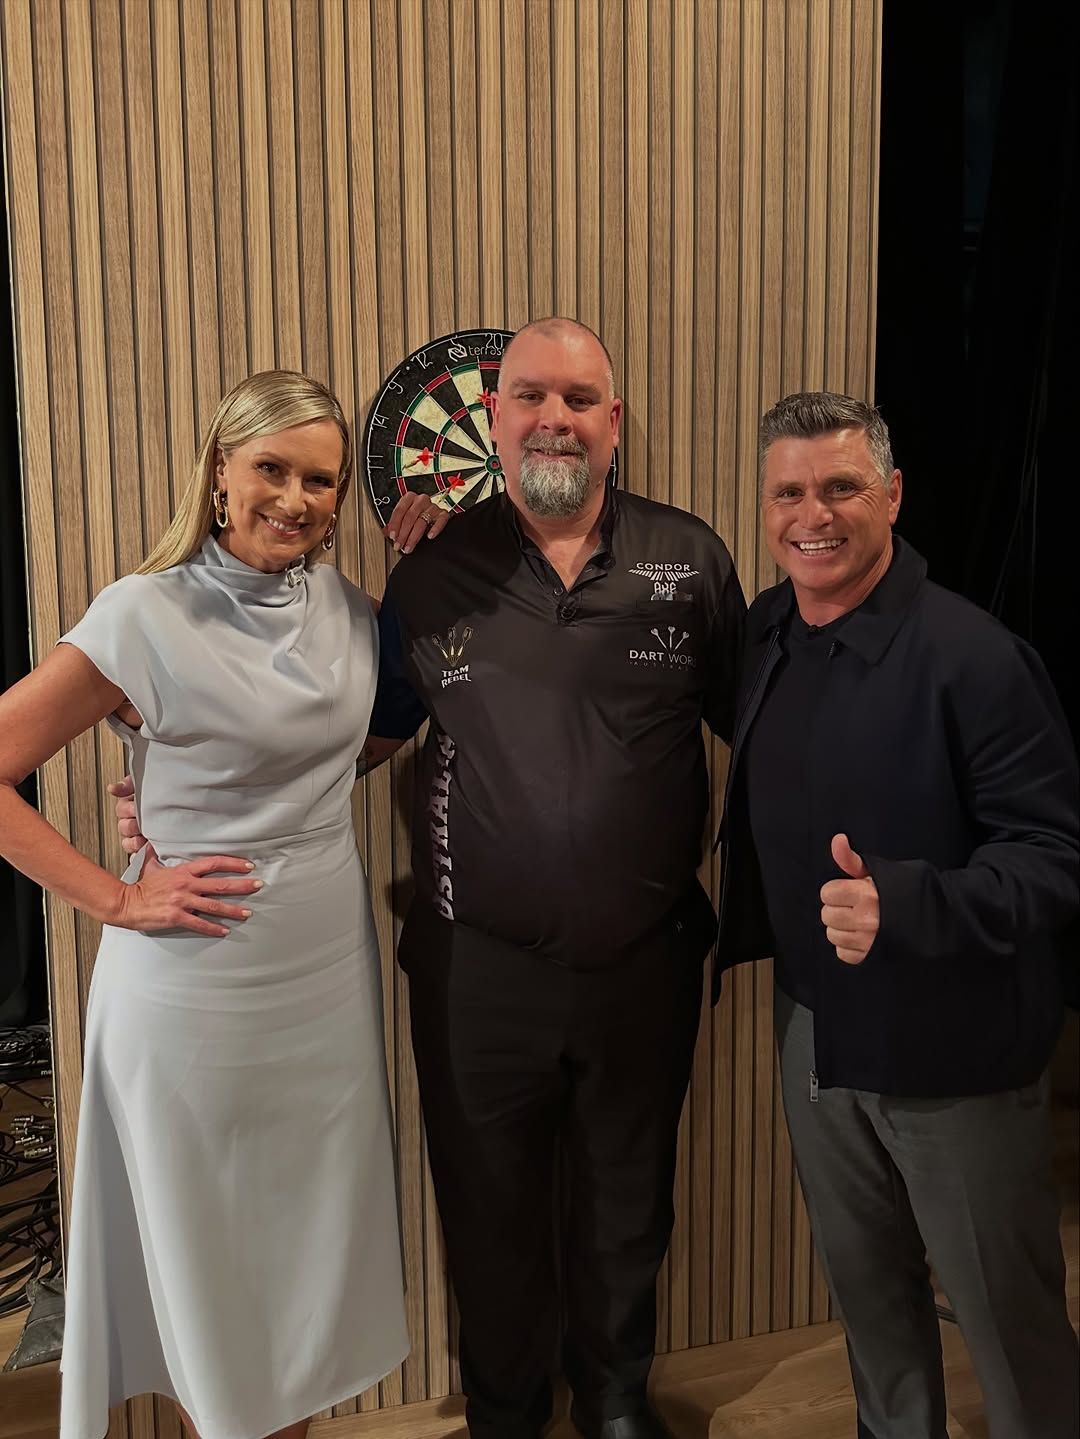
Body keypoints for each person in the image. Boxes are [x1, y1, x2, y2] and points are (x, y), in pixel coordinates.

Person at [0, 372, 409, 1439]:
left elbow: (347, 747)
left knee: (300, 1265)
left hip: (324, 974)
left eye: (320, 479)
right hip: (196, 989)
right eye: (271, 468)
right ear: (221, 472)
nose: (296, 498)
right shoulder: (143, 613)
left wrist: (190, 791)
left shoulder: (347, 606)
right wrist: (116, 898)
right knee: (216, 1265)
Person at [365, 317, 746, 1439]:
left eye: (580, 400)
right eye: (531, 396)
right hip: (477, 971)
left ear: (613, 422)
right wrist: (183, 788)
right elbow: (355, 738)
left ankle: (616, 1403)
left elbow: (774, 725)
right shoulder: (435, 571)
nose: (555, 419)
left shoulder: (691, 557)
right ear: (495, 418)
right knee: (490, 1210)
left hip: (647, 960)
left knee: (629, 1202)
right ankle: (505, 1412)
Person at [716, 390, 1079, 1438]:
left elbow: (1055, 859)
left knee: (1007, 1320)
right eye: (788, 492)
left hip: (957, 1045)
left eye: (840, 487)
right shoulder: (767, 629)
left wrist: (912, 901)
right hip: (814, 1028)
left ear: (893, 494)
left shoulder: (977, 657)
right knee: (869, 1297)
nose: (812, 515)